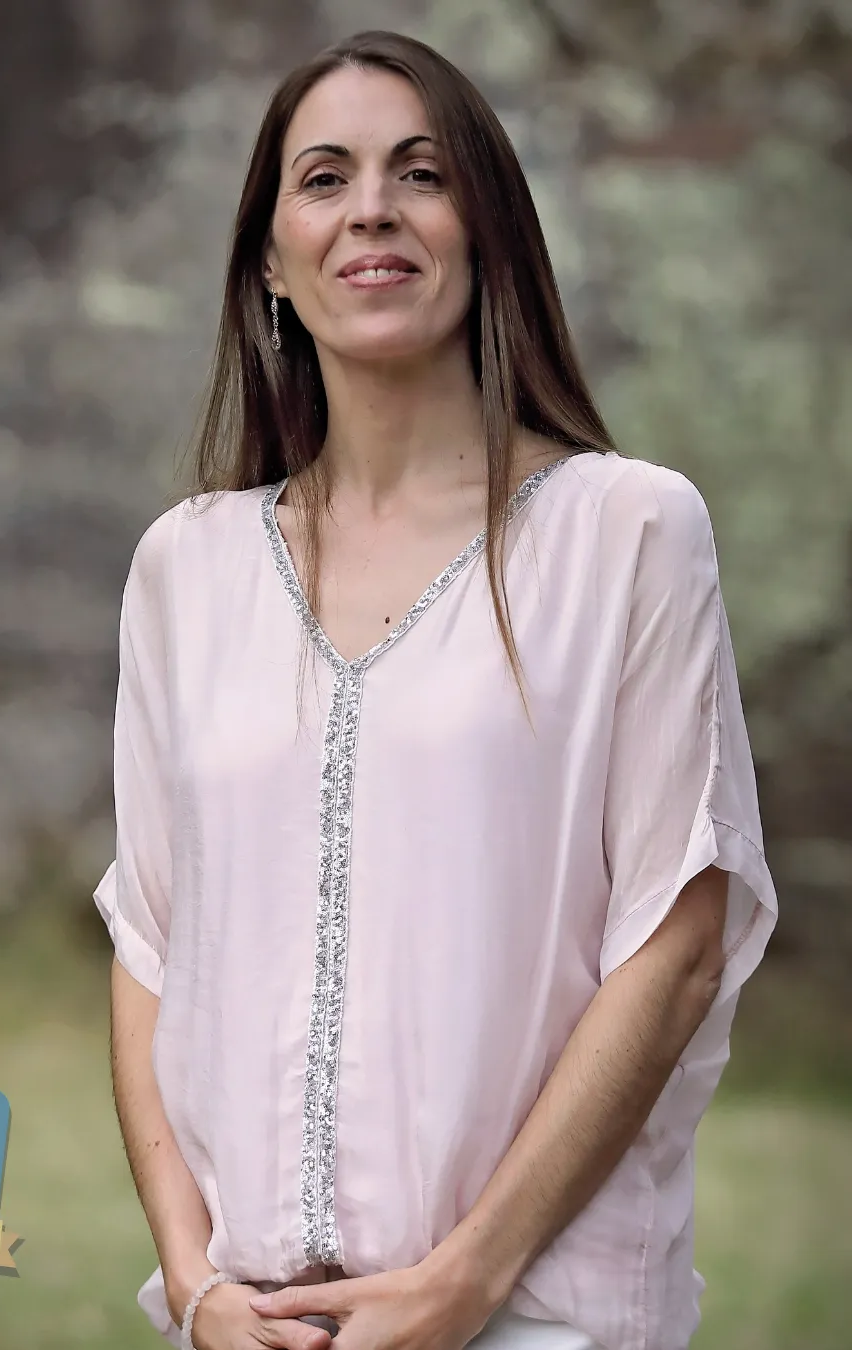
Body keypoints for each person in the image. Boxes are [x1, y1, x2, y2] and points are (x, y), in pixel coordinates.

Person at [93, 30, 778, 1350]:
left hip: (532, 1315)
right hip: (250, 1325)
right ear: (271, 265)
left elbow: (677, 943)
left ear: (488, 230)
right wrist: (194, 1283)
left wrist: (465, 1278)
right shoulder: (185, 567)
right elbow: (150, 946)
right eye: (325, 178)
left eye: (421, 173)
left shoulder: (627, 532)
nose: (373, 210)